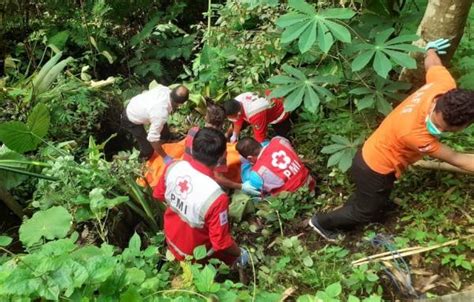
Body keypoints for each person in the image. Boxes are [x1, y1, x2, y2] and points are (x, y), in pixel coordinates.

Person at [309, 39, 474, 242]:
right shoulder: (414, 133)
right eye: (436, 122)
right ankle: (321, 222)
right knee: (364, 212)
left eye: (443, 129)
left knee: (373, 197)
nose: (435, 128)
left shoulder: (443, 86)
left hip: (374, 152)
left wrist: (430, 49)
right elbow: (457, 158)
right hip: (375, 168)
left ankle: (372, 201)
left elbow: (434, 65)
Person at [153, 127, 248, 265]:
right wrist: (240, 253)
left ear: (192, 149)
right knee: (229, 256)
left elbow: (159, 195)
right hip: (195, 253)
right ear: (221, 157)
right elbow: (221, 243)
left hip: (171, 237)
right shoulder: (216, 197)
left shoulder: (173, 167)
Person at [183, 104, 260, 195]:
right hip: (203, 179)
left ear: (205, 118)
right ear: (223, 123)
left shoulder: (193, 131)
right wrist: (241, 186)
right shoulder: (219, 146)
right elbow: (218, 177)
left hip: (186, 170)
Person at [121, 84, 189, 162]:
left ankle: (165, 139)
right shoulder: (160, 113)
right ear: (179, 104)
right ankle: (141, 161)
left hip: (137, 105)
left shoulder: (164, 89)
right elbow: (152, 139)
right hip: (131, 118)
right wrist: (165, 157)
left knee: (165, 132)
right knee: (148, 150)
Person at [236, 136, 315, 195]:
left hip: (295, 196)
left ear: (249, 158)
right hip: (309, 180)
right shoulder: (278, 140)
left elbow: (260, 190)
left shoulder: (256, 174)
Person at [223, 90, 290, 144]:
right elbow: (237, 121)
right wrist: (234, 135)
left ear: (238, 114)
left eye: (232, 117)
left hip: (280, 111)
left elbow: (260, 137)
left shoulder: (254, 113)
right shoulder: (236, 102)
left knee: (283, 138)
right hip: (271, 98)